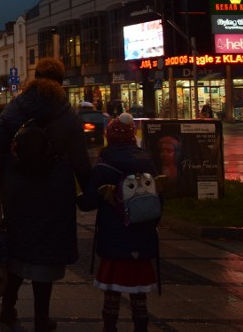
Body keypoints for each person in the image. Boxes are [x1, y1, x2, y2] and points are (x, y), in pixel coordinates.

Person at [0, 57, 91, 331]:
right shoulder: (67, 113)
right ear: (60, 81)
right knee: (46, 255)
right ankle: (41, 318)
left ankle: (7, 310)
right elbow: (80, 159)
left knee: (18, 249)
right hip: (54, 193)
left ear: (33, 76)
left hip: (17, 191)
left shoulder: (13, 109)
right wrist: (89, 193)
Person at [79, 113, 159, 332]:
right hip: (143, 235)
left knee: (112, 291)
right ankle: (141, 327)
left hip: (114, 236)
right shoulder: (147, 161)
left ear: (110, 136)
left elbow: (88, 202)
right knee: (139, 292)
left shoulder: (105, 164)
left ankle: (110, 327)